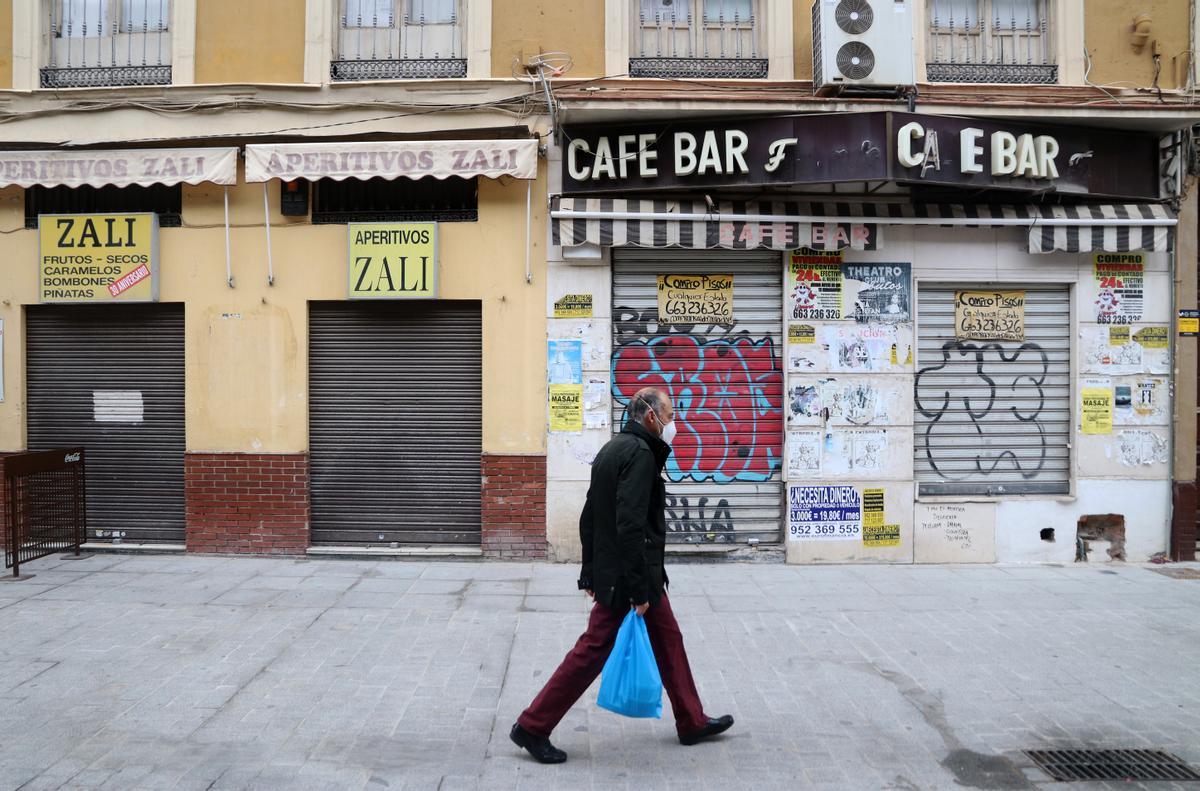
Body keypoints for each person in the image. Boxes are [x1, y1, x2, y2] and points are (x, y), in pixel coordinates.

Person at [510, 387, 734, 764]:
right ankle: (533, 725)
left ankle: (691, 720)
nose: (673, 423)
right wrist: (635, 589)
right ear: (650, 416)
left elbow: (589, 518)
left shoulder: (613, 449)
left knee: (669, 640)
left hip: (627, 572)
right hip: (631, 576)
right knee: (591, 651)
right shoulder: (641, 454)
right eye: (670, 415)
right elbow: (630, 526)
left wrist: (590, 574)